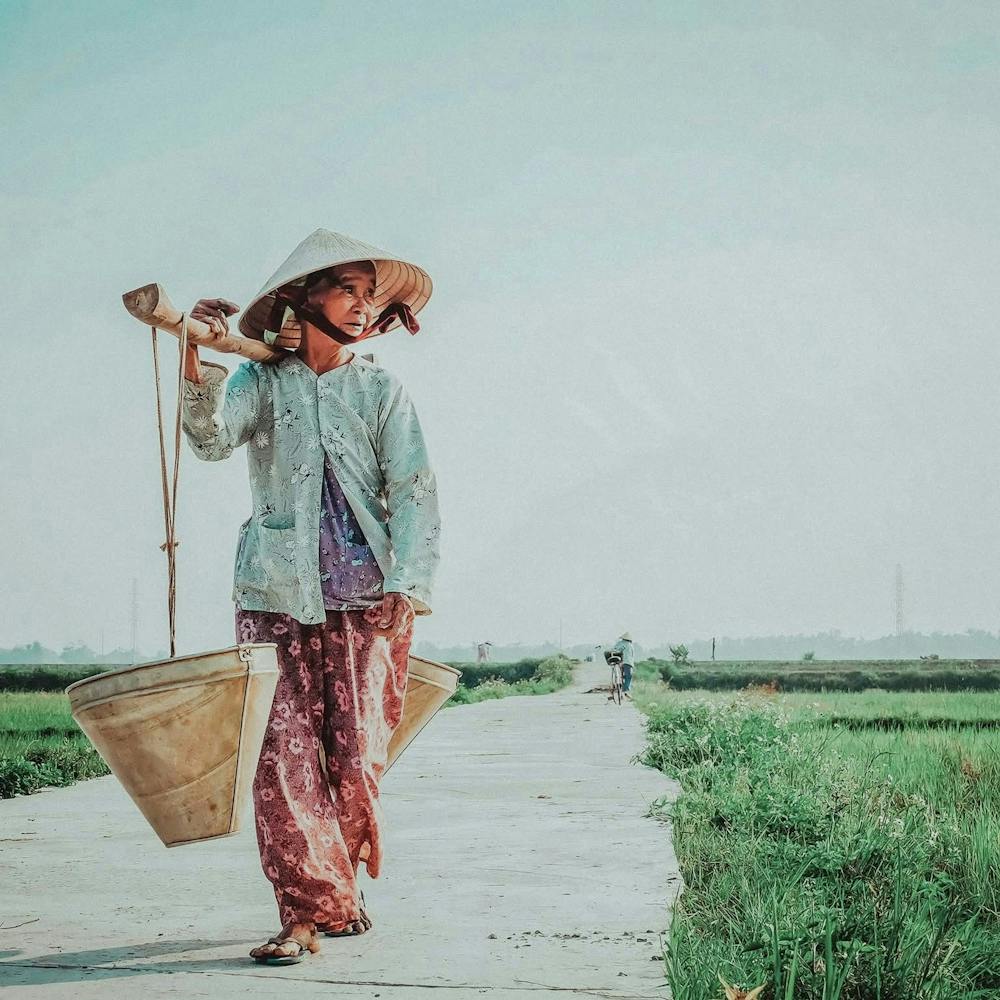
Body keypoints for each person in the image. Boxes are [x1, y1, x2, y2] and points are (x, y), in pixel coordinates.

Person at [181, 229, 440, 966]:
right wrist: (197, 353)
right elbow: (207, 441)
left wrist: (409, 586)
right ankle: (303, 915)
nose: (361, 306)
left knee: (354, 760)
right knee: (283, 763)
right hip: (274, 596)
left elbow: (414, 489)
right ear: (304, 297)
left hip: (364, 599)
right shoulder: (260, 383)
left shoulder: (379, 388)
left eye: (369, 294)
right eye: (346, 290)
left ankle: (338, 892)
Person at [610, 632, 635, 698]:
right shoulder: (629, 644)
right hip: (628, 662)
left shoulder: (621, 643)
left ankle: (622, 692)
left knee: (622, 677)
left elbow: (614, 650)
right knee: (628, 676)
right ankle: (625, 691)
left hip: (622, 662)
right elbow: (632, 656)